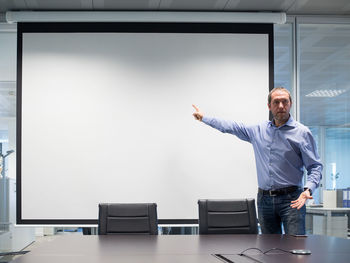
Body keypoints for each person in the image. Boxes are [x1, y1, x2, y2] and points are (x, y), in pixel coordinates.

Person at [192, 87, 322, 235]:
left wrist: (308, 189)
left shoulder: (302, 132)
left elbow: (315, 166)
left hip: (292, 199)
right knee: (269, 250)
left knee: (295, 247)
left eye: (284, 102)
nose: (281, 106)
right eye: (276, 102)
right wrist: (204, 118)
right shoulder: (258, 131)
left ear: (290, 104)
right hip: (264, 200)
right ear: (269, 106)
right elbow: (231, 127)